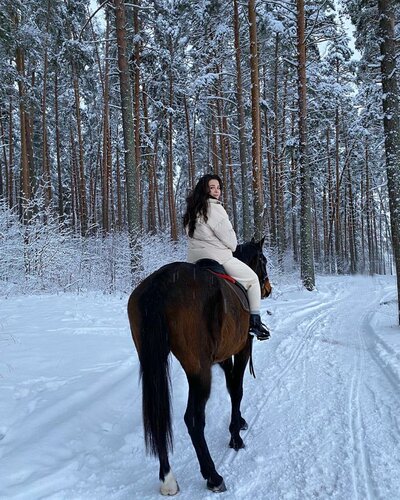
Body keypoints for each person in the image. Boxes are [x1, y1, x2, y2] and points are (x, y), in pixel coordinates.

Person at [183, 173, 270, 341]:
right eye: (212, 187)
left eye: (218, 188)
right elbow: (231, 241)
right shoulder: (215, 208)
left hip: (194, 260)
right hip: (218, 258)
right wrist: (229, 246)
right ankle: (255, 322)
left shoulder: (192, 210)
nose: (216, 191)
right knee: (252, 280)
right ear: (205, 189)